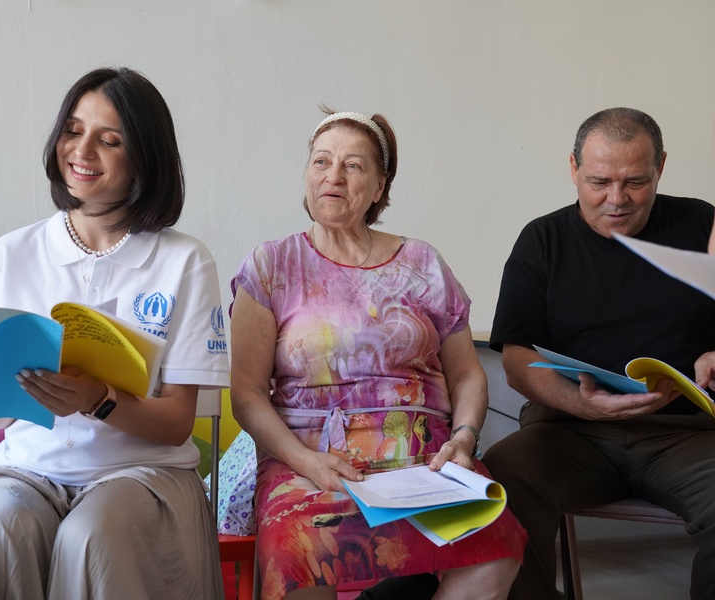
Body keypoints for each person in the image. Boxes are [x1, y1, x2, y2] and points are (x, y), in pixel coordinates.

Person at [0, 67, 230, 600]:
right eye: (73, 130)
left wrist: (98, 399)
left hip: (142, 474)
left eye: (110, 140)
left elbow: (176, 424)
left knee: (90, 534)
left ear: (144, 159)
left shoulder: (185, 261)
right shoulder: (12, 254)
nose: (82, 151)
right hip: (28, 469)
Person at [229, 110, 527, 600]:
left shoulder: (423, 262)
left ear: (378, 186)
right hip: (310, 457)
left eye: (353, 165)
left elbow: (468, 375)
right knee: (300, 552)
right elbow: (246, 394)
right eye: (321, 161)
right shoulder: (271, 265)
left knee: (495, 547)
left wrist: (465, 440)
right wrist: (305, 461)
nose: (333, 175)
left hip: (425, 456)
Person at [483, 107, 715, 600]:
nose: (616, 199)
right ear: (572, 168)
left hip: (686, 435)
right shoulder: (542, 240)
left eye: (635, 182)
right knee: (497, 482)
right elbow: (516, 361)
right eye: (599, 181)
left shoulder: (701, 224)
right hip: (569, 432)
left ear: (662, 168)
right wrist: (581, 405)